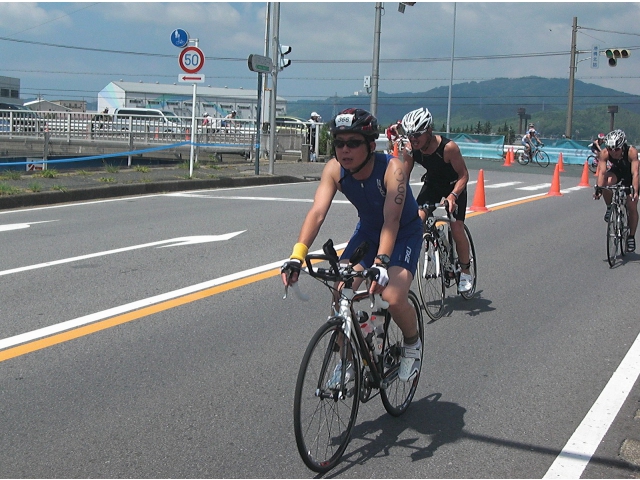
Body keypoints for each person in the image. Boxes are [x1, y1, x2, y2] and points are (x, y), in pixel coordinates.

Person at [280, 108, 423, 384]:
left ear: (371, 145)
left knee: (392, 296)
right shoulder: (335, 169)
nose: (344, 150)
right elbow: (317, 213)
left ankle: (412, 343)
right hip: (369, 232)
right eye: (339, 143)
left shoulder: (392, 169)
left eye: (353, 143)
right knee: (341, 292)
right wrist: (297, 256)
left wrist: (381, 263)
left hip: (403, 232)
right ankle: (346, 362)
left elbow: (392, 221)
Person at [401, 107, 473, 293]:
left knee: (456, 228)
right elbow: (404, 179)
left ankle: (465, 271)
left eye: (417, 134)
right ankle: (434, 242)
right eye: (409, 135)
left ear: (429, 131)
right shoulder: (410, 150)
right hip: (433, 184)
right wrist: (399, 200)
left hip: (454, 187)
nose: (413, 139)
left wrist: (453, 195)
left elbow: (464, 175)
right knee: (417, 218)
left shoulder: (448, 148)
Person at [593, 129, 639, 252]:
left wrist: (635, 190)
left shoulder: (631, 152)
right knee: (605, 184)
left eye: (617, 149)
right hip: (617, 171)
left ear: (622, 146)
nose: (613, 152)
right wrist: (599, 189)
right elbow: (602, 172)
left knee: (632, 205)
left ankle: (631, 237)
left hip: (630, 174)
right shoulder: (604, 153)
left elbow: (635, 173)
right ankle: (609, 207)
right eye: (610, 149)